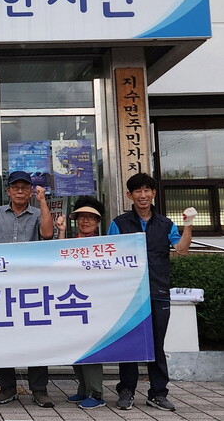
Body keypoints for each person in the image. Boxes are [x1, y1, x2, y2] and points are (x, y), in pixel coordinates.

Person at [107, 173, 196, 412]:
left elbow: (182, 249)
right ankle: (126, 390)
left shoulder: (166, 224)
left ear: (154, 193)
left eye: (147, 190)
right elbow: (110, 254)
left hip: (158, 291)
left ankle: (158, 393)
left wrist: (188, 224)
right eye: (138, 191)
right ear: (129, 195)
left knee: (157, 344)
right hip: (129, 295)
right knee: (129, 343)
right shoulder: (119, 223)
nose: (143, 195)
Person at [0, 170, 55, 408]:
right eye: (15, 188)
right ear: (8, 191)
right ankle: (7, 387)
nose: (20, 191)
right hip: (1, 286)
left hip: (32, 286)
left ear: (31, 191)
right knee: (4, 337)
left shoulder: (38, 213)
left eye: (24, 188)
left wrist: (43, 202)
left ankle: (39, 389)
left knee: (36, 338)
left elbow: (47, 234)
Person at [55, 196, 107, 410]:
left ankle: (96, 393)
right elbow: (57, 260)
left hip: (94, 304)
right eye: (81, 217)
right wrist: (60, 231)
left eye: (90, 217)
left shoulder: (106, 246)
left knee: (91, 347)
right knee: (75, 345)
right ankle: (83, 388)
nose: (85, 221)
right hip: (72, 302)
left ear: (98, 221)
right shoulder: (70, 242)